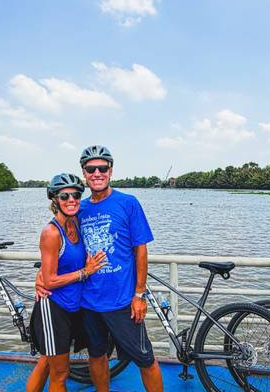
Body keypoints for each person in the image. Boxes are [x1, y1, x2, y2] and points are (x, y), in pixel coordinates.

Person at [77, 145, 164, 392]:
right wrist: (44, 274)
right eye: (91, 169)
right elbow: (64, 245)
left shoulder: (128, 203)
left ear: (110, 171)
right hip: (89, 301)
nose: (97, 173)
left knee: (145, 360)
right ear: (84, 172)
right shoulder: (79, 209)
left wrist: (139, 295)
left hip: (123, 302)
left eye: (102, 168)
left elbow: (141, 250)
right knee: (96, 355)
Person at [26, 173, 107, 392]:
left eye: (76, 195)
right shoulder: (51, 233)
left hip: (74, 306)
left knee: (46, 361)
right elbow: (50, 280)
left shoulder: (77, 223)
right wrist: (85, 272)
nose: (71, 200)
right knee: (60, 373)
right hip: (54, 308)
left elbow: (51, 268)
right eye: (65, 196)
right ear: (54, 199)